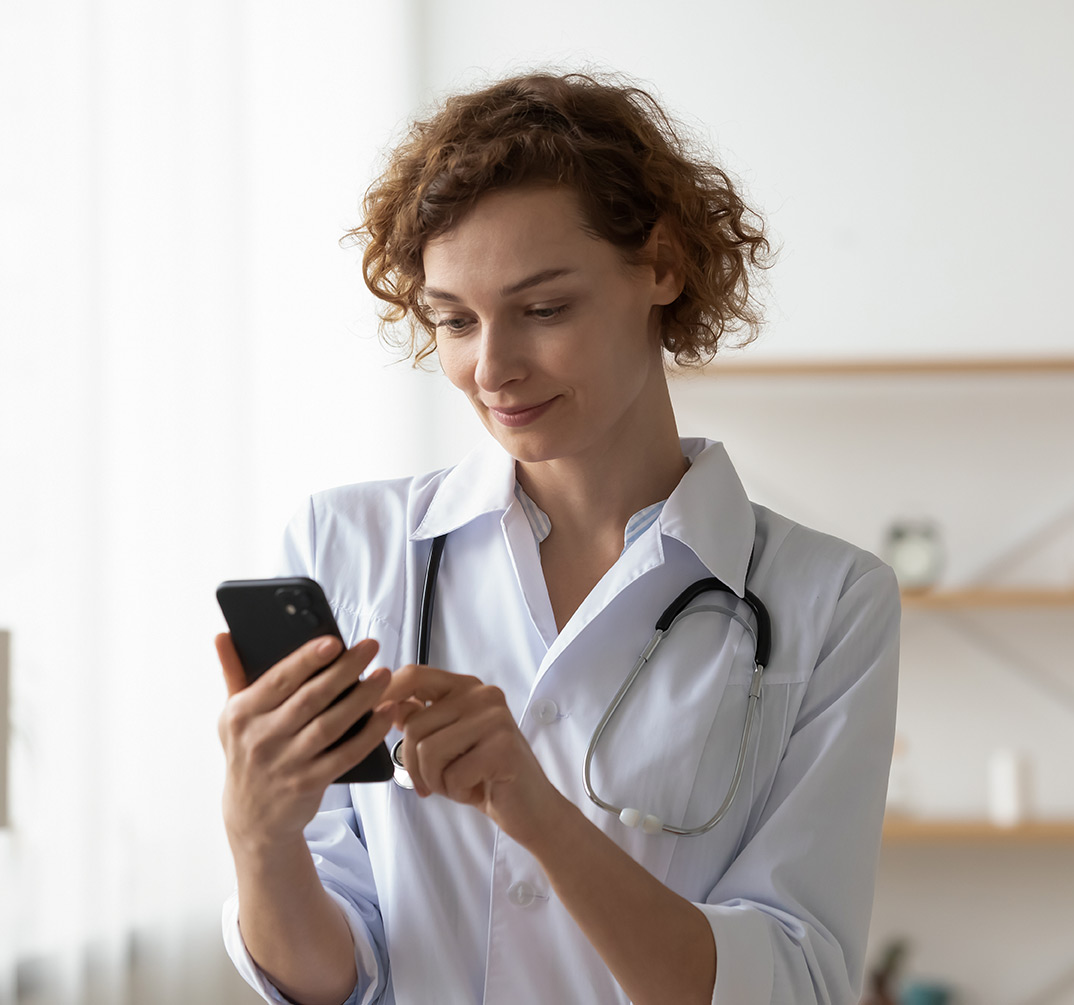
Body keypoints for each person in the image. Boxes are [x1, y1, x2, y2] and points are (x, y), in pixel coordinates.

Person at [215, 70, 901, 1005]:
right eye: (455, 320)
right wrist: (262, 840)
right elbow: (336, 974)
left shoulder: (827, 601)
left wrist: (536, 812)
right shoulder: (345, 545)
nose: (491, 368)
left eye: (543, 310)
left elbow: (793, 981)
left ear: (660, 266)